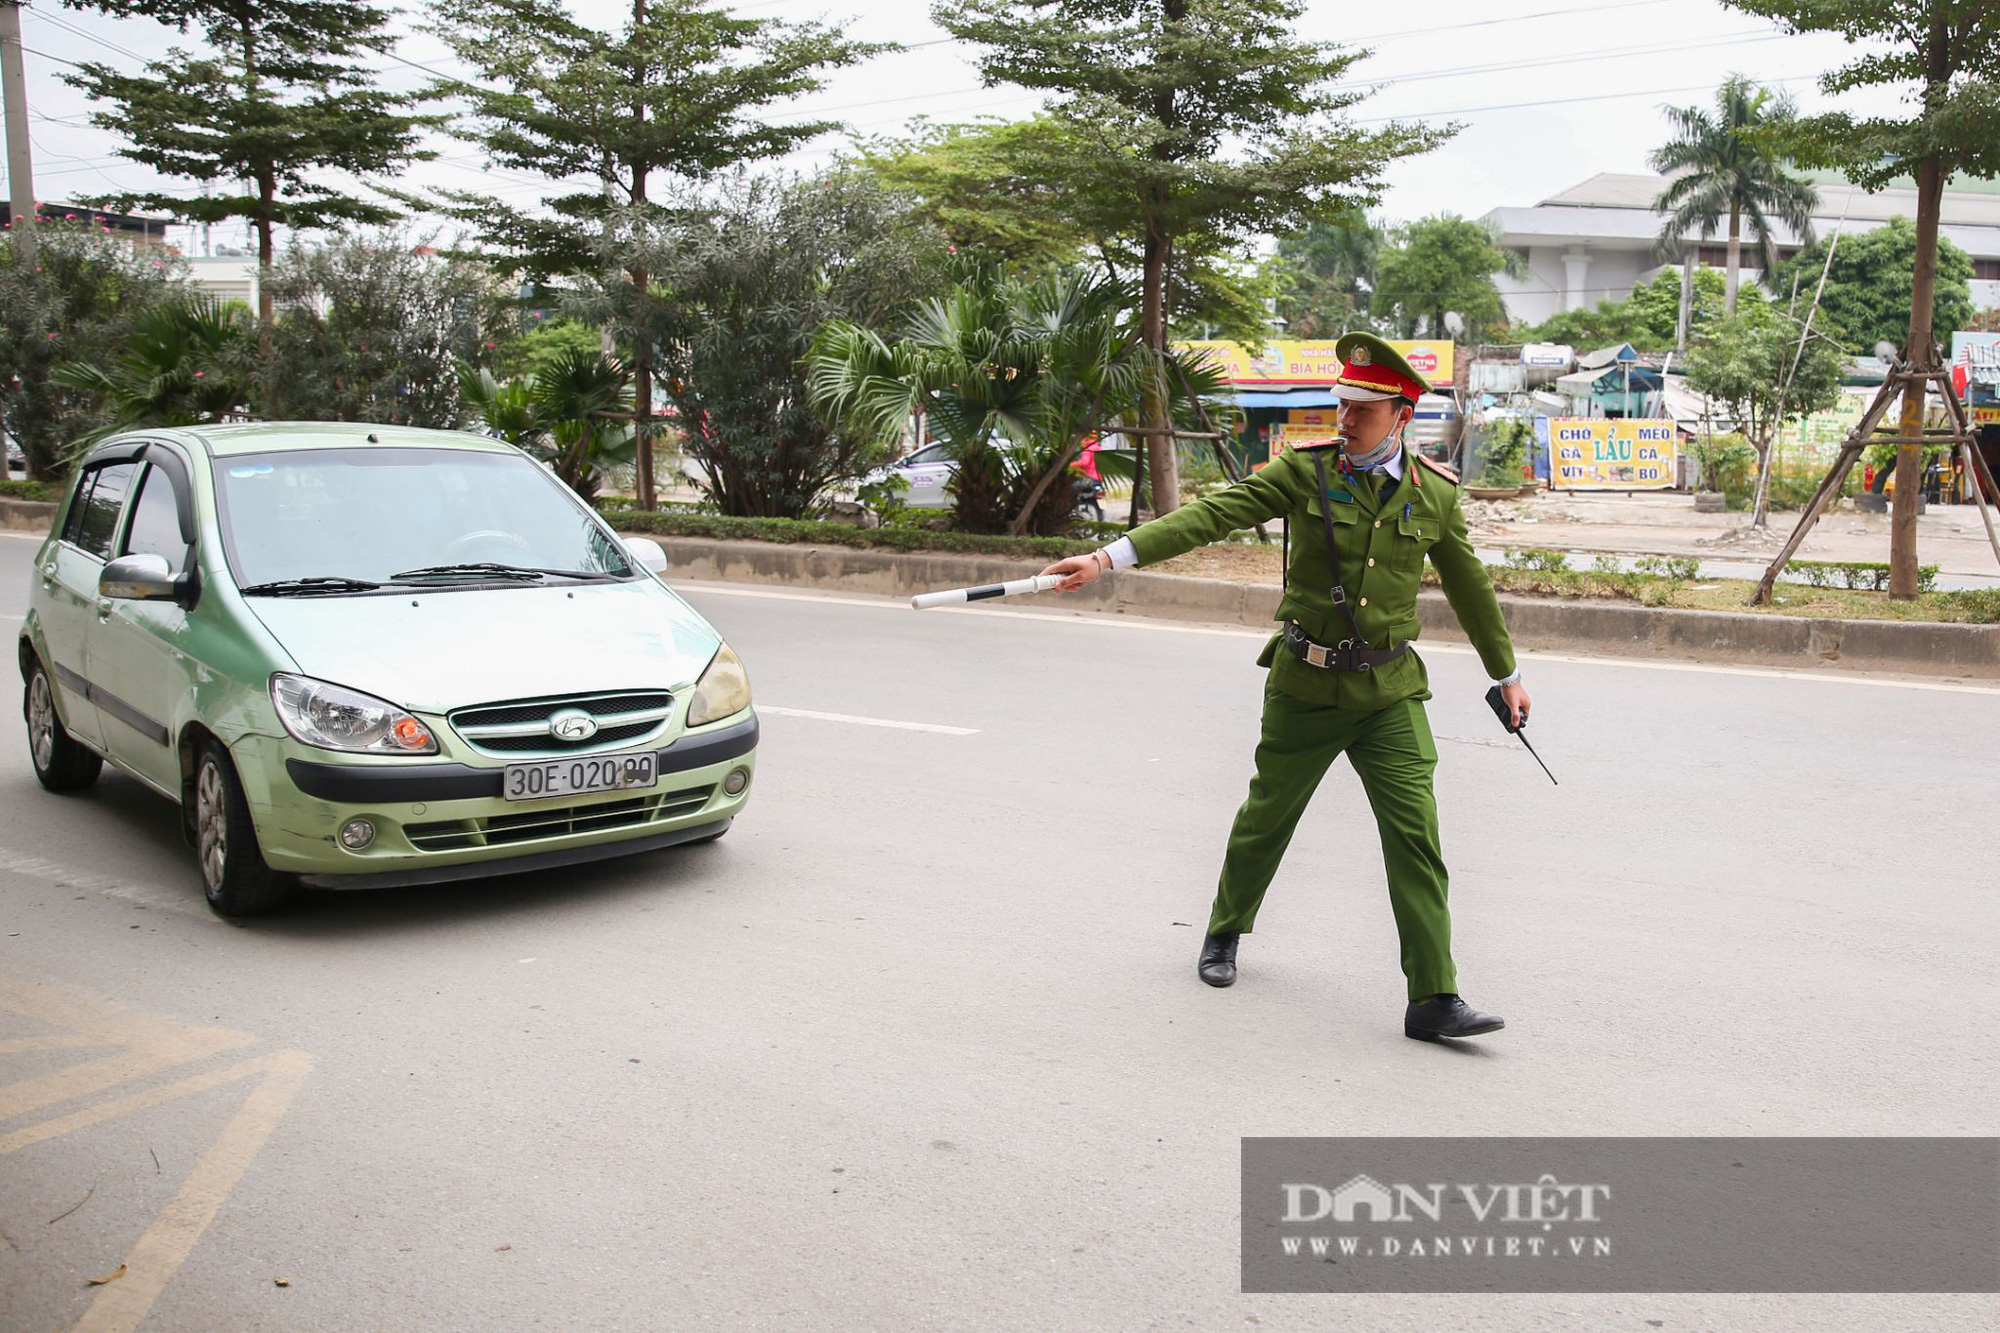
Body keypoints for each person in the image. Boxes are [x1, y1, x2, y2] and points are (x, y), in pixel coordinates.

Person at [1039, 332, 1530, 1041]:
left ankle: (1432, 996)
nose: (1345, 416)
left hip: (1390, 693)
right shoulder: (1304, 473)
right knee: (1267, 818)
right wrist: (1107, 556)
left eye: (1362, 407)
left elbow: (1470, 588)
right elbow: (1210, 517)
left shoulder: (1435, 496)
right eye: (1342, 403)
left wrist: (1506, 673)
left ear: (1401, 414)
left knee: (1416, 837)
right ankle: (1223, 932)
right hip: (1306, 684)